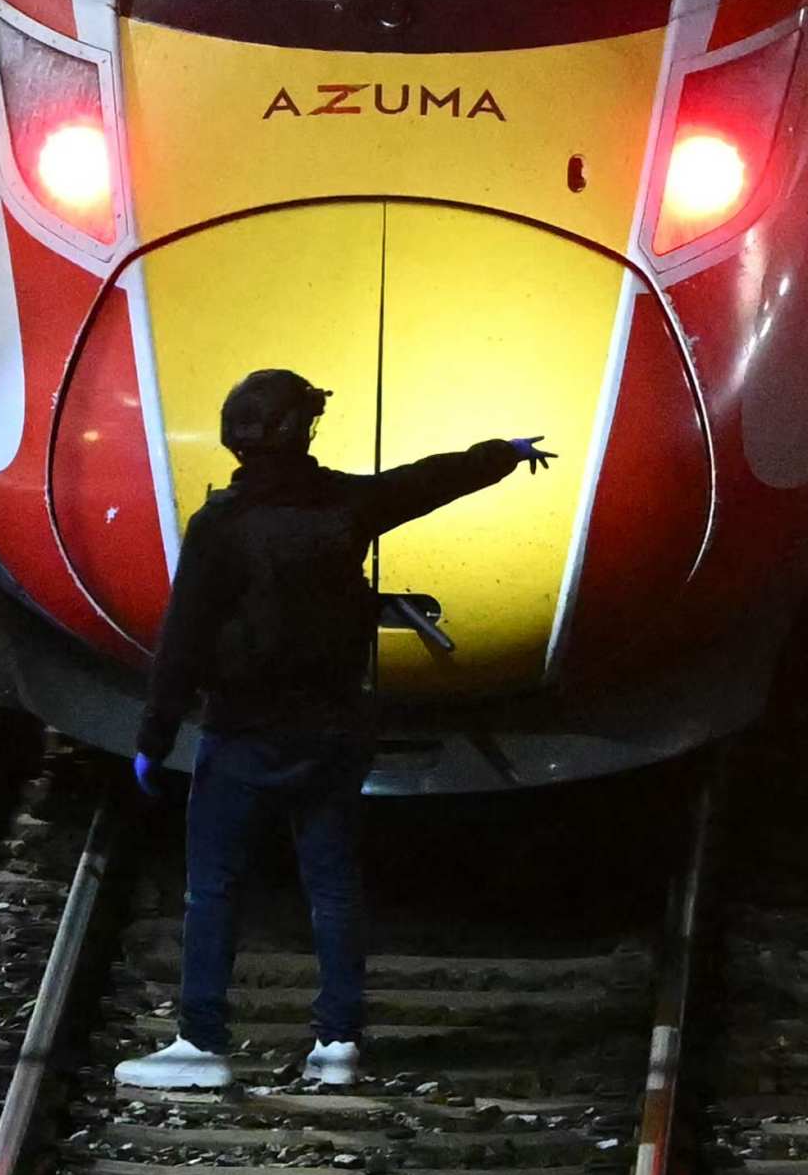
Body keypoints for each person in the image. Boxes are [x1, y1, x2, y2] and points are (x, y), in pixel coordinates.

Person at [115, 369, 549, 1092]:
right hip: (334, 728)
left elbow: (183, 640)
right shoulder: (347, 505)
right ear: (304, 430)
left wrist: (153, 740)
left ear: (235, 436)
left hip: (243, 730)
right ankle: (339, 1042)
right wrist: (500, 452)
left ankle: (201, 1044)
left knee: (213, 887)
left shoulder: (221, 526)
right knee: (333, 884)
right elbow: (423, 481)